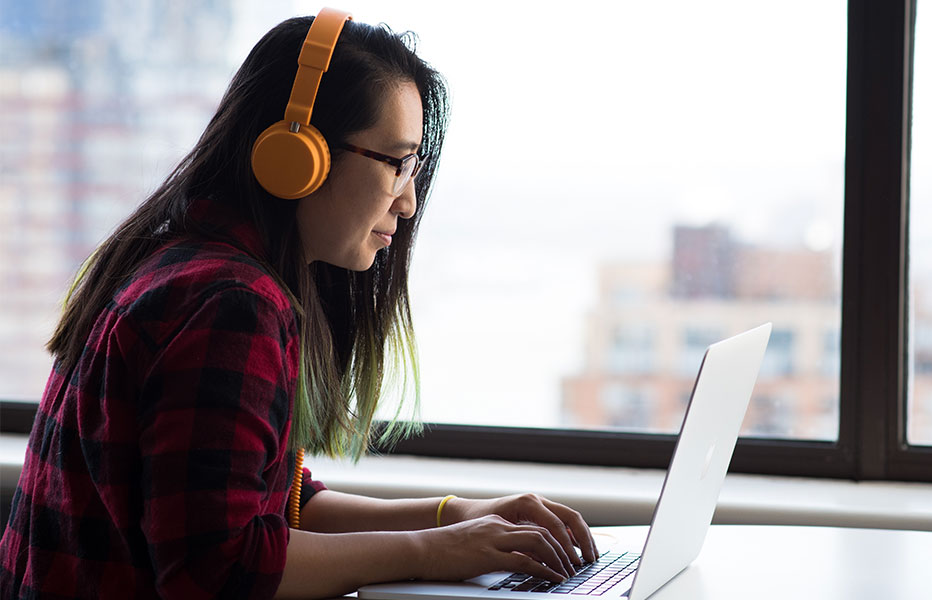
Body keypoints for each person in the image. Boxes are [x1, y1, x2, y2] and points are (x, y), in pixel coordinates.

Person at [0, 8, 597, 599]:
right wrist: (435, 552)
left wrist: (454, 515)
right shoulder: (229, 303)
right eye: (396, 163)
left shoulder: (186, 263)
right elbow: (219, 567)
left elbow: (279, 503)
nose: (408, 202)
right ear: (298, 154)